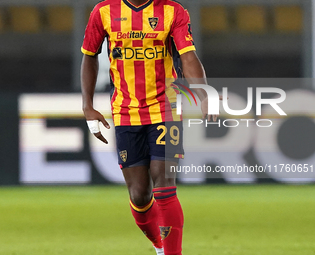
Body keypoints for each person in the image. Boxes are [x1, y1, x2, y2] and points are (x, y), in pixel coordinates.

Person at [81, 0, 218, 254]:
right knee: (140, 195)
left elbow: (188, 56)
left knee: (164, 184)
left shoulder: (172, 11)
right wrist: (87, 105)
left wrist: (204, 93)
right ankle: (159, 245)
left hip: (165, 107)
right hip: (125, 112)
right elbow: (89, 56)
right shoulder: (103, 12)